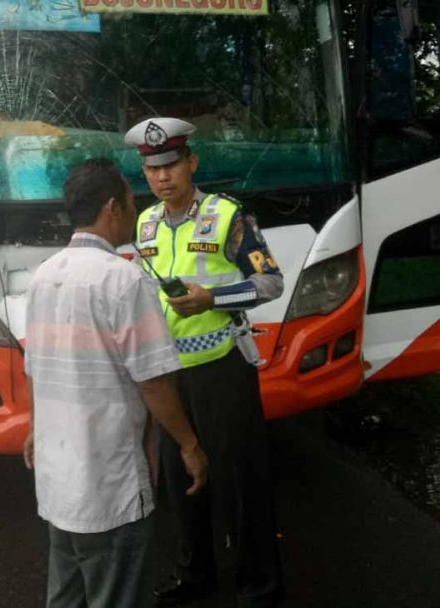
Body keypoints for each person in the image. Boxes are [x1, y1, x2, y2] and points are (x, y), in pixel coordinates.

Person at [23, 158, 209, 608]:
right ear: (112, 208)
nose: (133, 207)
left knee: (66, 597)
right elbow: (152, 382)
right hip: (110, 485)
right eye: (130, 200)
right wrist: (188, 444)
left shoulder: (43, 277)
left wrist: (34, 427)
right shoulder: (125, 282)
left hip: (58, 481)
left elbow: (38, 369)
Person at [125, 117, 286, 608]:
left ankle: (260, 586)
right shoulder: (144, 223)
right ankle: (196, 575)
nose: (162, 177)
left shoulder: (228, 216)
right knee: (180, 478)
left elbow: (271, 283)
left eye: (171, 164)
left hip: (221, 367)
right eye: (153, 169)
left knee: (238, 478)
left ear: (191, 163)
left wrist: (214, 297)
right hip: (170, 373)